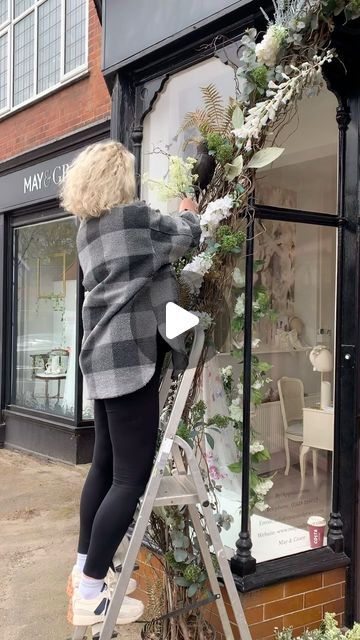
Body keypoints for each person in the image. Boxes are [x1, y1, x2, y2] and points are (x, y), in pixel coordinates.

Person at [60, 140, 201, 628]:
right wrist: (190, 208)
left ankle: (83, 572)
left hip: (99, 358)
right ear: (121, 180)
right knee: (129, 479)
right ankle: (94, 589)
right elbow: (184, 235)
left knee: (102, 466)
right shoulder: (134, 221)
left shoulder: (86, 231)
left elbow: (140, 270)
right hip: (129, 362)